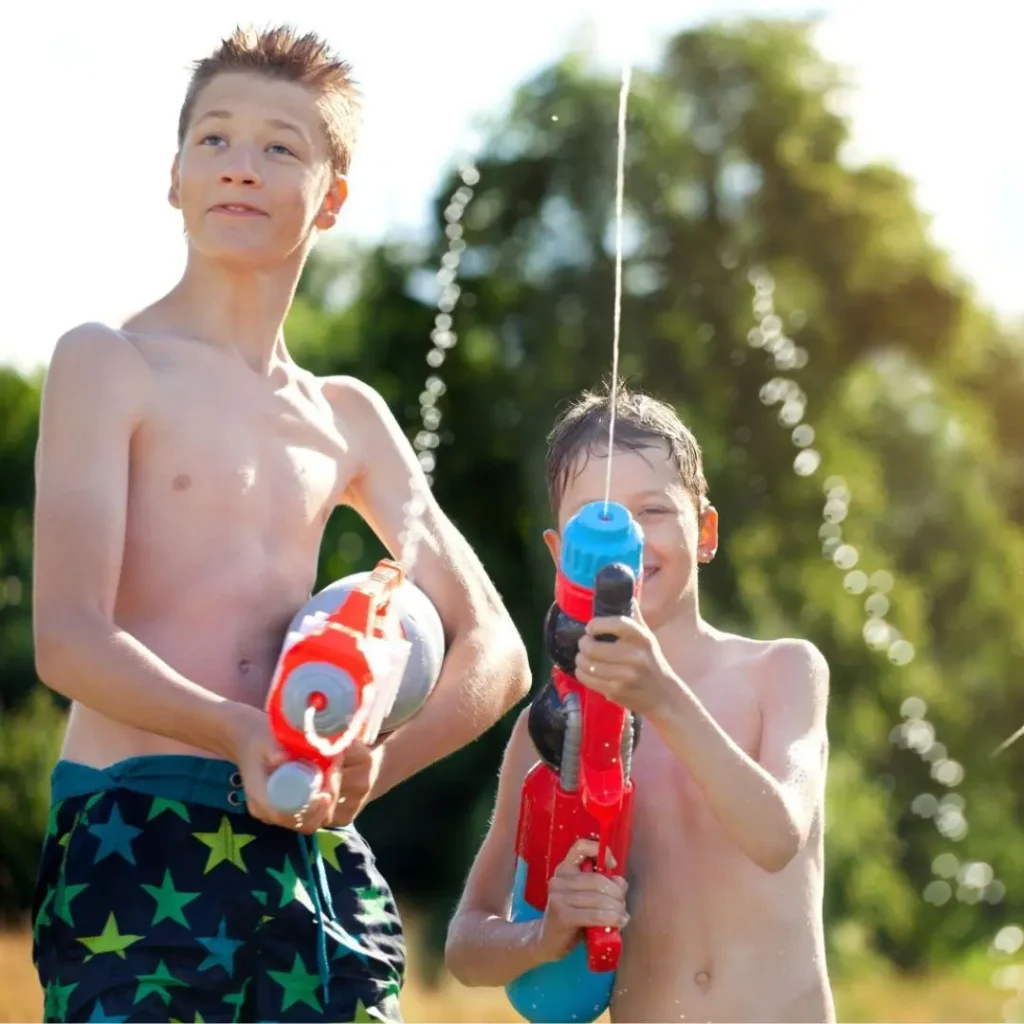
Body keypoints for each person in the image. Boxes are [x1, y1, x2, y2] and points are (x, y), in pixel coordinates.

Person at [30, 24, 529, 1024]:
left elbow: (499, 653)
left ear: (332, 199)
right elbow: (68, 639)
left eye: (279, 147)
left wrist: (374, 767)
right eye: (213, 139)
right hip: (137, 822)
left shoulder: (346, 418)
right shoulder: (107, 364)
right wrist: (235, 730)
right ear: (172, 176)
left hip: (307, 848)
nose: (239, 167)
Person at [444, 383, 835, 1023]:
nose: (627, 538)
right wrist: (544, 936)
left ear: (704, 531)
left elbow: (776, 836)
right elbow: (466, 947)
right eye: (594, 520)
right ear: (559, 555)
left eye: (652, 511)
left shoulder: (782, 671)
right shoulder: (551, 728)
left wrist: (662, 697)